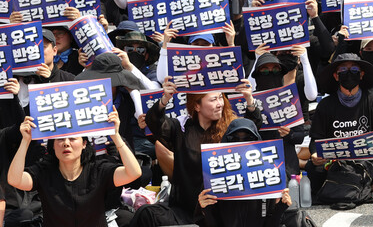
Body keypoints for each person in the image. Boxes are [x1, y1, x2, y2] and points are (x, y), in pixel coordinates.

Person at [141, 76, 260, 224]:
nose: (219, 104)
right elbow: (155, 122)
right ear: (197, 106)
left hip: (220, 211)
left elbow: (252, 131)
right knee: (146, 214)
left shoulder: (230, 130)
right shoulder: (181, 128)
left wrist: (249, 100)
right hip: (185, 209)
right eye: (213, 100)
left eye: (220, 98)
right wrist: (165, 98)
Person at [8, 110, 142, 227]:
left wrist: (116, 136)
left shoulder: (98, 169)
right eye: (60, 139)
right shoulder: (44, 171)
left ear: (84, 143)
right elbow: (15, 180)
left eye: (72, 138)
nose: (66, 143)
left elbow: (134, 173)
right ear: (53, 146)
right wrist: (25, 141)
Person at [306, 53, 373, 198]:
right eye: (343, 70)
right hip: (336, 164)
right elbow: (315, 140)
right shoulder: (325, 105)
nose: (349, 74)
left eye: (354, 70)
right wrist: (315, 154)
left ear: (361, 75)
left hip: (366, 163)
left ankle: (343, 187)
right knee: (313, 168)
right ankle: (370, 187)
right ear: (336, 76)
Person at [195, 119, 291, 227]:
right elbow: (205, 222)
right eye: (234, 138)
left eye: (248, 138)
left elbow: (271, 224)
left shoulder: (268, 177)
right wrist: (205, 209)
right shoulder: (213, 178)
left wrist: (281, 207)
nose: (241, 143)